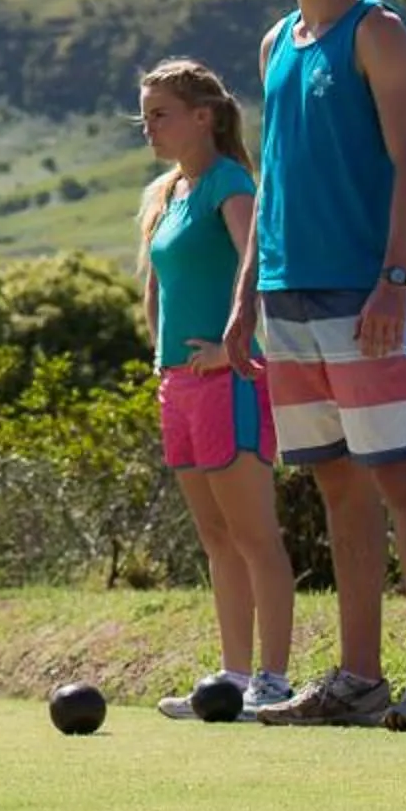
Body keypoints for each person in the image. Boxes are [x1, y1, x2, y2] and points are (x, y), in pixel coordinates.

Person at [220, 0, 406, 732]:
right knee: (334, 482)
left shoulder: (379, 34)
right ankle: (358, 678)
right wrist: (246, 291)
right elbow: (275, 178)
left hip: (363, 293)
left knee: (400, 474)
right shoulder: (274, 45)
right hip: (285, 297)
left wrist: (394, 280)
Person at [134, 58, 295, 718]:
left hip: (231, 383)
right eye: (144, 117)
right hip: (178, 385)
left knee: (255, 535)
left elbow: (258, 266)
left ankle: (274, 681)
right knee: (217, 539)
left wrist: (228, 351)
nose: (149, 128)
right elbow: (158, 289)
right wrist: (164, 358)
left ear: (204, 117)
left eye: (161, 115)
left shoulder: (231, 184)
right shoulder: (166, 194)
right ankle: (232, 677)